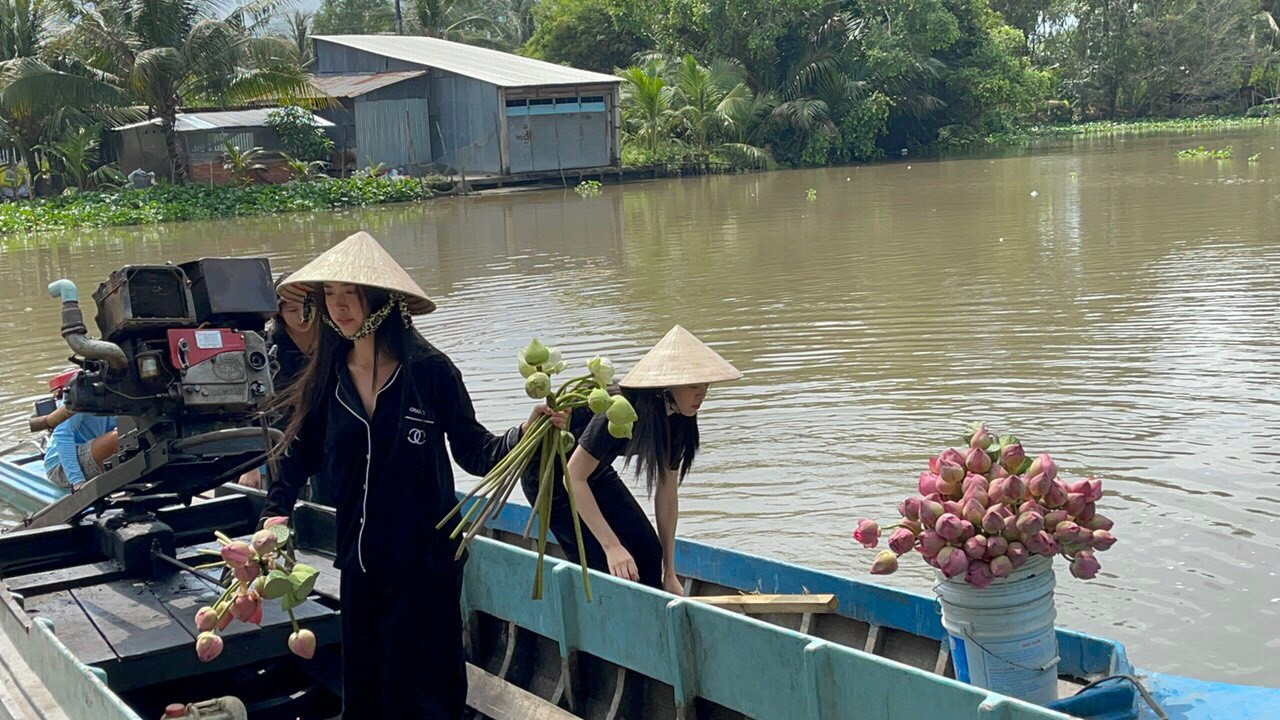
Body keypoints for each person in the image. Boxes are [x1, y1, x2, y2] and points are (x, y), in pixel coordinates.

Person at [261, 231, 559, 719]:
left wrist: (527, 431)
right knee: (365, 694)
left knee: (422, 697)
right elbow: (299, 455)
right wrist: (274, 514)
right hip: (359, 562)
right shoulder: (328, 374)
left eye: (350, 295)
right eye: (329, 296)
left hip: (426, 565)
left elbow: (476, 452)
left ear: (379, 299)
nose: (338, 308)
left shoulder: (431, 372)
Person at [520, 325, 741, 595]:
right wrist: (612, 547)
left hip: (594, 471)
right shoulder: (619, 406)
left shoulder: (681, 419)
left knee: (649, 554)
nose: (702, 394)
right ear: (665, 383)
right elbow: (574, 477)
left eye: (706, 385)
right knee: (607, 568)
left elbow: (667, 494)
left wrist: (668, 571)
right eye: (694, 385)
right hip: (551, 476)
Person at [238, 272, 317, 491]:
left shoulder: (331, 342)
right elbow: (250, 407)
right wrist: (250, 466)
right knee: (279, 514)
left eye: (308, 307)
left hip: (324, 440)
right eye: (292, 309)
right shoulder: (264, 350)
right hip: (281, 442)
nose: (303, 316)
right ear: (278, 312)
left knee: (325, 512)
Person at [43, 373, 119, 490]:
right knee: (117, 438)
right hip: (59, 468)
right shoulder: (82, 389)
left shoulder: (115, 389)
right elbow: (62, 435)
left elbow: (112, 426)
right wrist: (77, 480)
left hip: (90, 451)